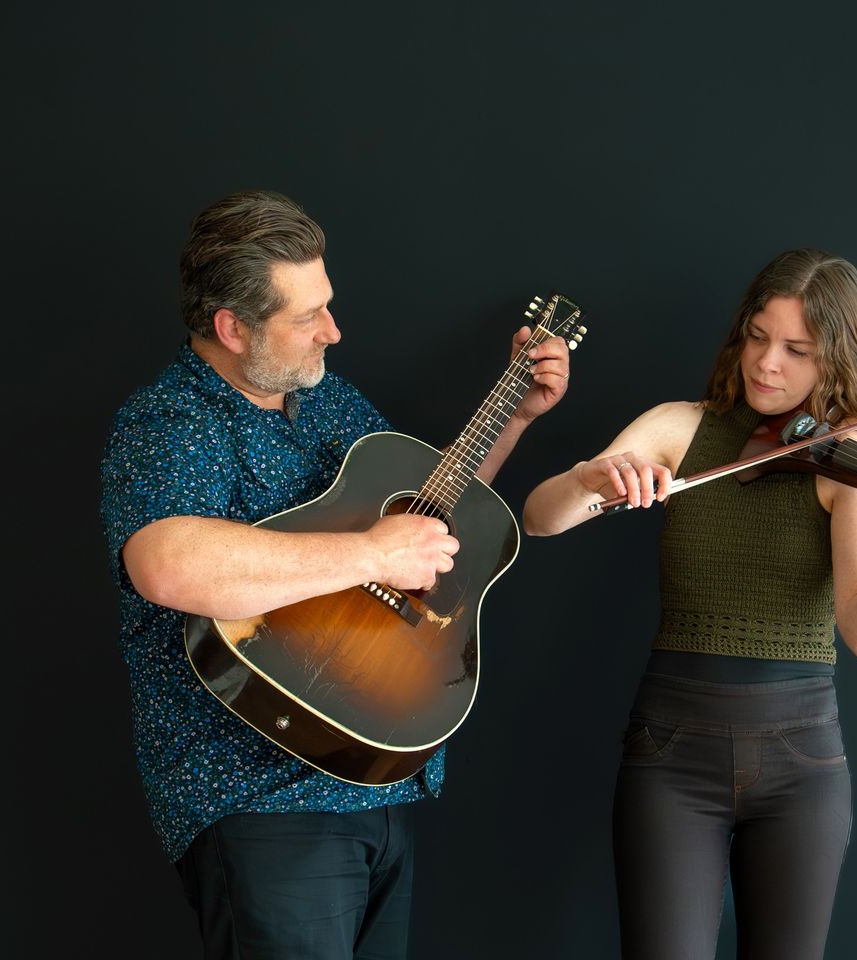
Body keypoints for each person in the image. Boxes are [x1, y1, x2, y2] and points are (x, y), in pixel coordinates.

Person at [99, 189, 571, 959]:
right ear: (231, 328)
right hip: (258, 796)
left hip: (376, 775)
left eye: (328, 304)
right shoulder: (173, 420)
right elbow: (166, 562)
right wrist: (369, 555)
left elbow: (423, 511)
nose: (334, 330)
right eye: (306, 316)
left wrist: (515, 415)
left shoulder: (324, 402)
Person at [521, 248, 857, 960]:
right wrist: (593, 475)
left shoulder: (852, 452)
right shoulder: (681, 426)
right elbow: (540, 517)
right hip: (671, 753)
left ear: (837, 359)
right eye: (758, 338)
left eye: (798, 350)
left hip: (800, 764)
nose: (767, 364)